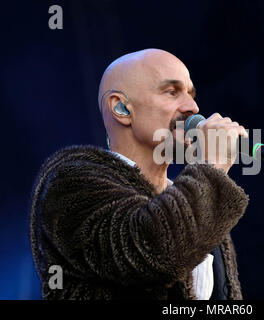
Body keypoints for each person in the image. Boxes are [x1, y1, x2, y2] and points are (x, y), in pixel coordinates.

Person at [30, 49, 249, 300]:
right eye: (172, 92)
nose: (193, 107)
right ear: (121, 108)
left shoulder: (199, 198)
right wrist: (212, 165)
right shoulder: (69, 185)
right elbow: (155, 252)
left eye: (191, 94)